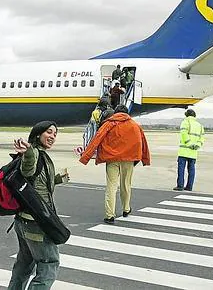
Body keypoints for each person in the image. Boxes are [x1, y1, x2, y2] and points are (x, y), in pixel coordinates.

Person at [8, 120, 69, 290]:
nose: (53, 136)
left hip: (23, 221)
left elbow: (32, 182)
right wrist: (27, 153)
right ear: (38, 133)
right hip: (35, 222)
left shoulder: (40, 154)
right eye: (49, 132)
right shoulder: (33, 154)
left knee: (24, 264)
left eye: (55, 134)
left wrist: (57, 179)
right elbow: (27, 170)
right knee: (49, 263)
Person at [79, 105, 150, 224]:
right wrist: (145, 159)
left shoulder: (109, 124)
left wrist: (85, 157)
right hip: (129, 159)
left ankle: (109, 215)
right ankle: (126, 209)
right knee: (126, 184)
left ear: (115, 113)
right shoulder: (135, 125)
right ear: (127, 113)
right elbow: (143, 143)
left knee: (111, 187)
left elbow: (96, 139)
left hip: (112, 159)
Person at [174, 109, 205, 191]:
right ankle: (189, 186)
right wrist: (197, 145)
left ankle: (180, 186)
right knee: (191, 170)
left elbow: (184, 134)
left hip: (184, 151)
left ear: (186, 115)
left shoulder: (185, 122)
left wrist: (189, 144)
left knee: (181, 169)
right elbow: (202, 138)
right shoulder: (200, 125)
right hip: (193, 152)